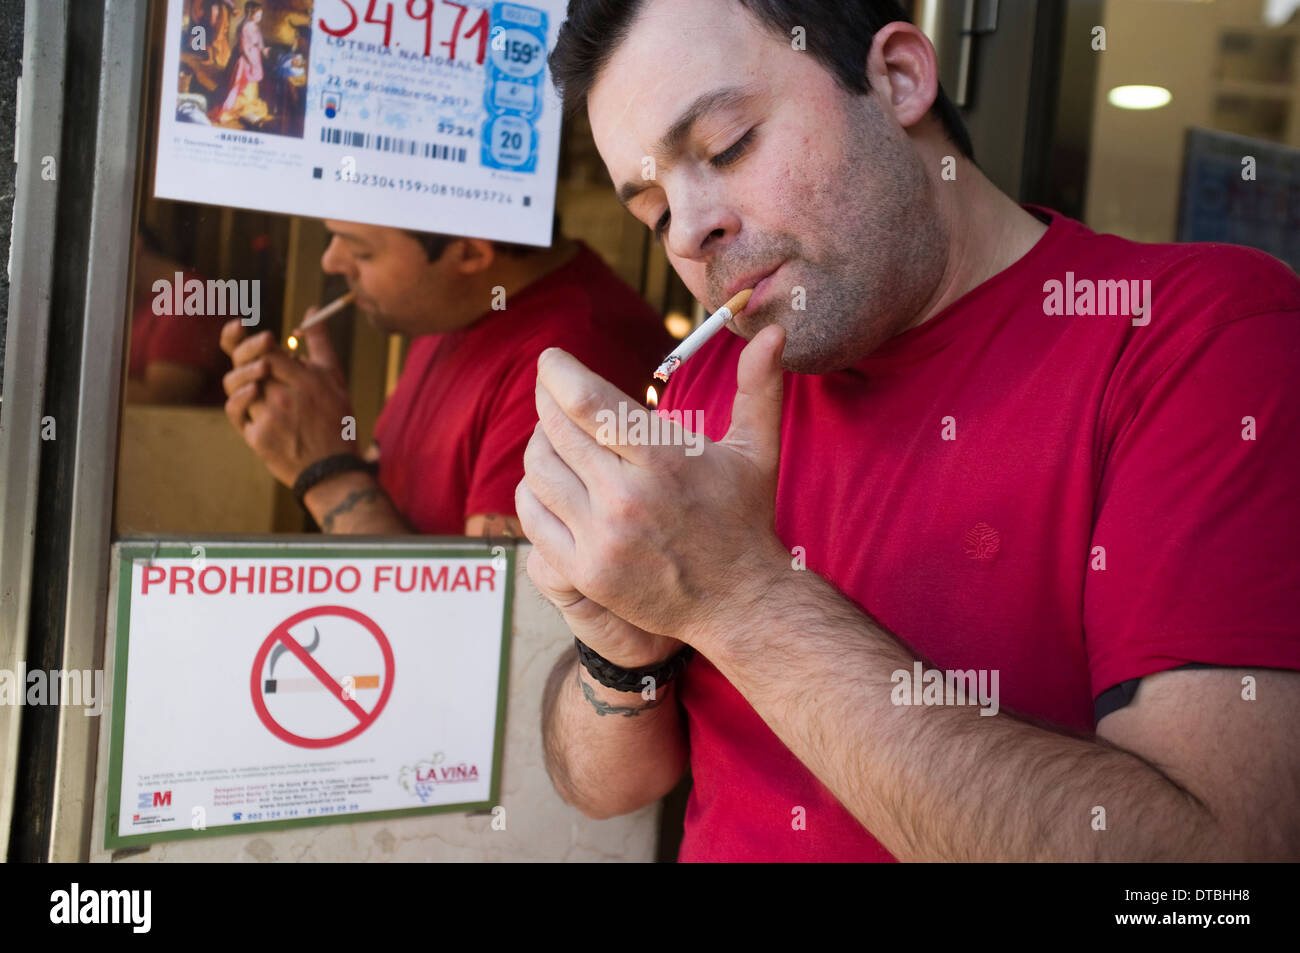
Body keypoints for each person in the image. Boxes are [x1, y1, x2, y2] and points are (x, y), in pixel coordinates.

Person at [518, 0, 1300, 861]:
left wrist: (741, 597)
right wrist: (622, 652)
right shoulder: (705, 393)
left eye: (729, 144)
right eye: (655, 213)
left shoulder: (1197, 338)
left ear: (897, 79)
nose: (694, 231)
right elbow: (606, 786)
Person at [221, 223, 671, 537]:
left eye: (361, 250)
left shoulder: (571, 362)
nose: (330, 260)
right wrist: (321, 425)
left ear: (470, 252)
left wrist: (326, 475)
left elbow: (482, 624)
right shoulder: (456, 307)